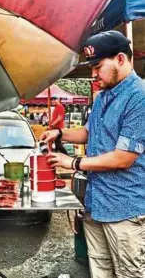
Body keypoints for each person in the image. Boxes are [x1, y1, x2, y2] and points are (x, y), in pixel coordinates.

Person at [40, 30, 145, 278]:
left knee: (129, 274)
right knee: (99, 272)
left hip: (125, 211)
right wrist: (59, 133)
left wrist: (73, 162)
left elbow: (123, 157)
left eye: (97, 66)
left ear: (120, 59)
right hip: (96, 204)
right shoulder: (103, 95)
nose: (93, 74)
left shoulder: (139, 98)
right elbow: (89, 132)